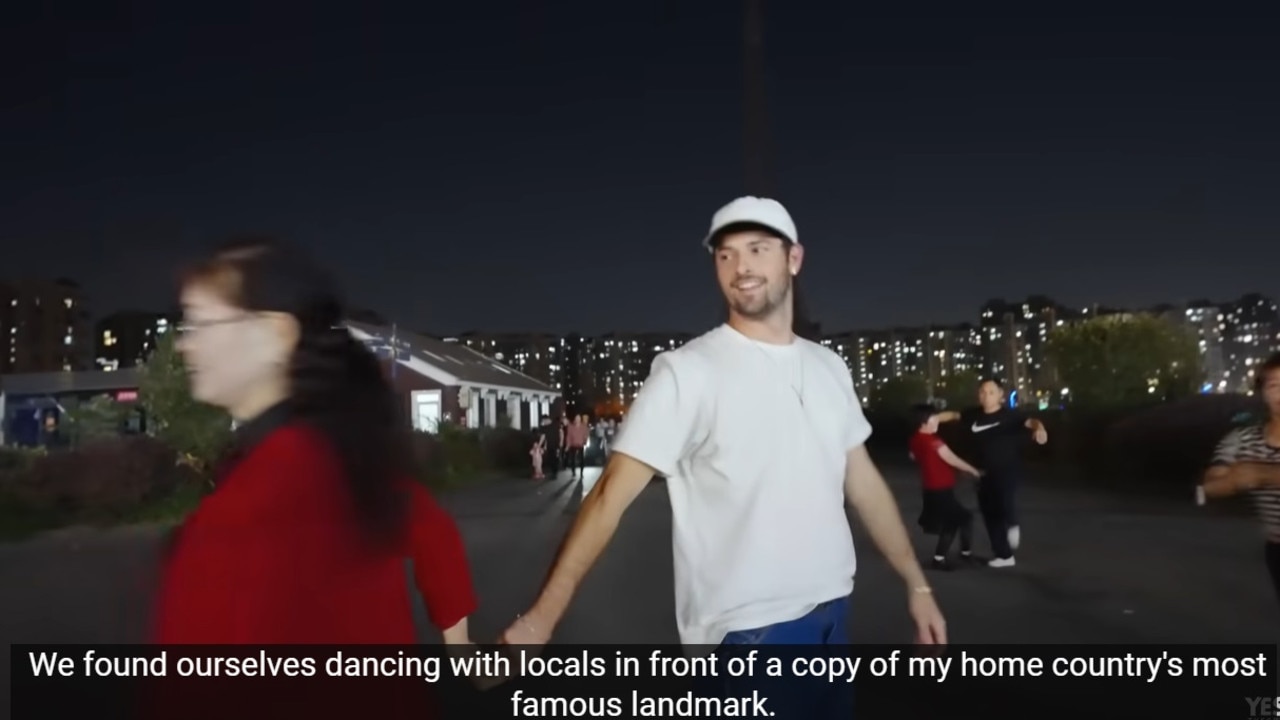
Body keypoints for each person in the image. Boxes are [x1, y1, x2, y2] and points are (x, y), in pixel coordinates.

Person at [502, 197, 946, 716]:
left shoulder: (829, 368)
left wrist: (917, 584)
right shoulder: (687, 373)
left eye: (758, 249)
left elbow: (863, 482)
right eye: (726, 255)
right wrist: (542, 617)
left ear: (794, 258)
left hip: (832, 619)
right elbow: (607, 497)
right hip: (748, 639)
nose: (742, 268)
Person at [154, 238, 479, 651]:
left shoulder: (255, 503)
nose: (185, 344)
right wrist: (461, 645)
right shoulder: (343, 459)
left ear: (275, 334)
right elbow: (434, 532)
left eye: (200, 323)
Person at [928, 378, 1047, 568]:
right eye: (983, 391)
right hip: (982, 472)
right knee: (989, 513)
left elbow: (1031, 421)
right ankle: (1004, 556)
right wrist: (935, 418)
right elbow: (952, 414)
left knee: (1004, 499)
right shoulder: (972, 415)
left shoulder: (1009, 415)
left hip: (1007, 469)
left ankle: (1013, 523)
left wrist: (1039, 428)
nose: (986, 396)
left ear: (1000, 395)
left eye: (991, 392)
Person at [1198, 352, 1280, 604]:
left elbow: (1260, 474)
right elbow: (1207, 488)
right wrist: (1230, 483)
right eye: (1274, 385)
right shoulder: (1242, 440)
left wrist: (1265, 474)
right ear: (1263, 392)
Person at [908, 404, 982, 570]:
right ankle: (948, 557)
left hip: (931, 489)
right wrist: (973, 470)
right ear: (923, 423)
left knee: (957, 520)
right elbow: (951, 458)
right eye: (933, 419)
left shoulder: (915, 439)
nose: (937, 422)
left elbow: (913, 456)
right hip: (940, 489)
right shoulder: (934, 441)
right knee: (960, 520)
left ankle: (953, 555)